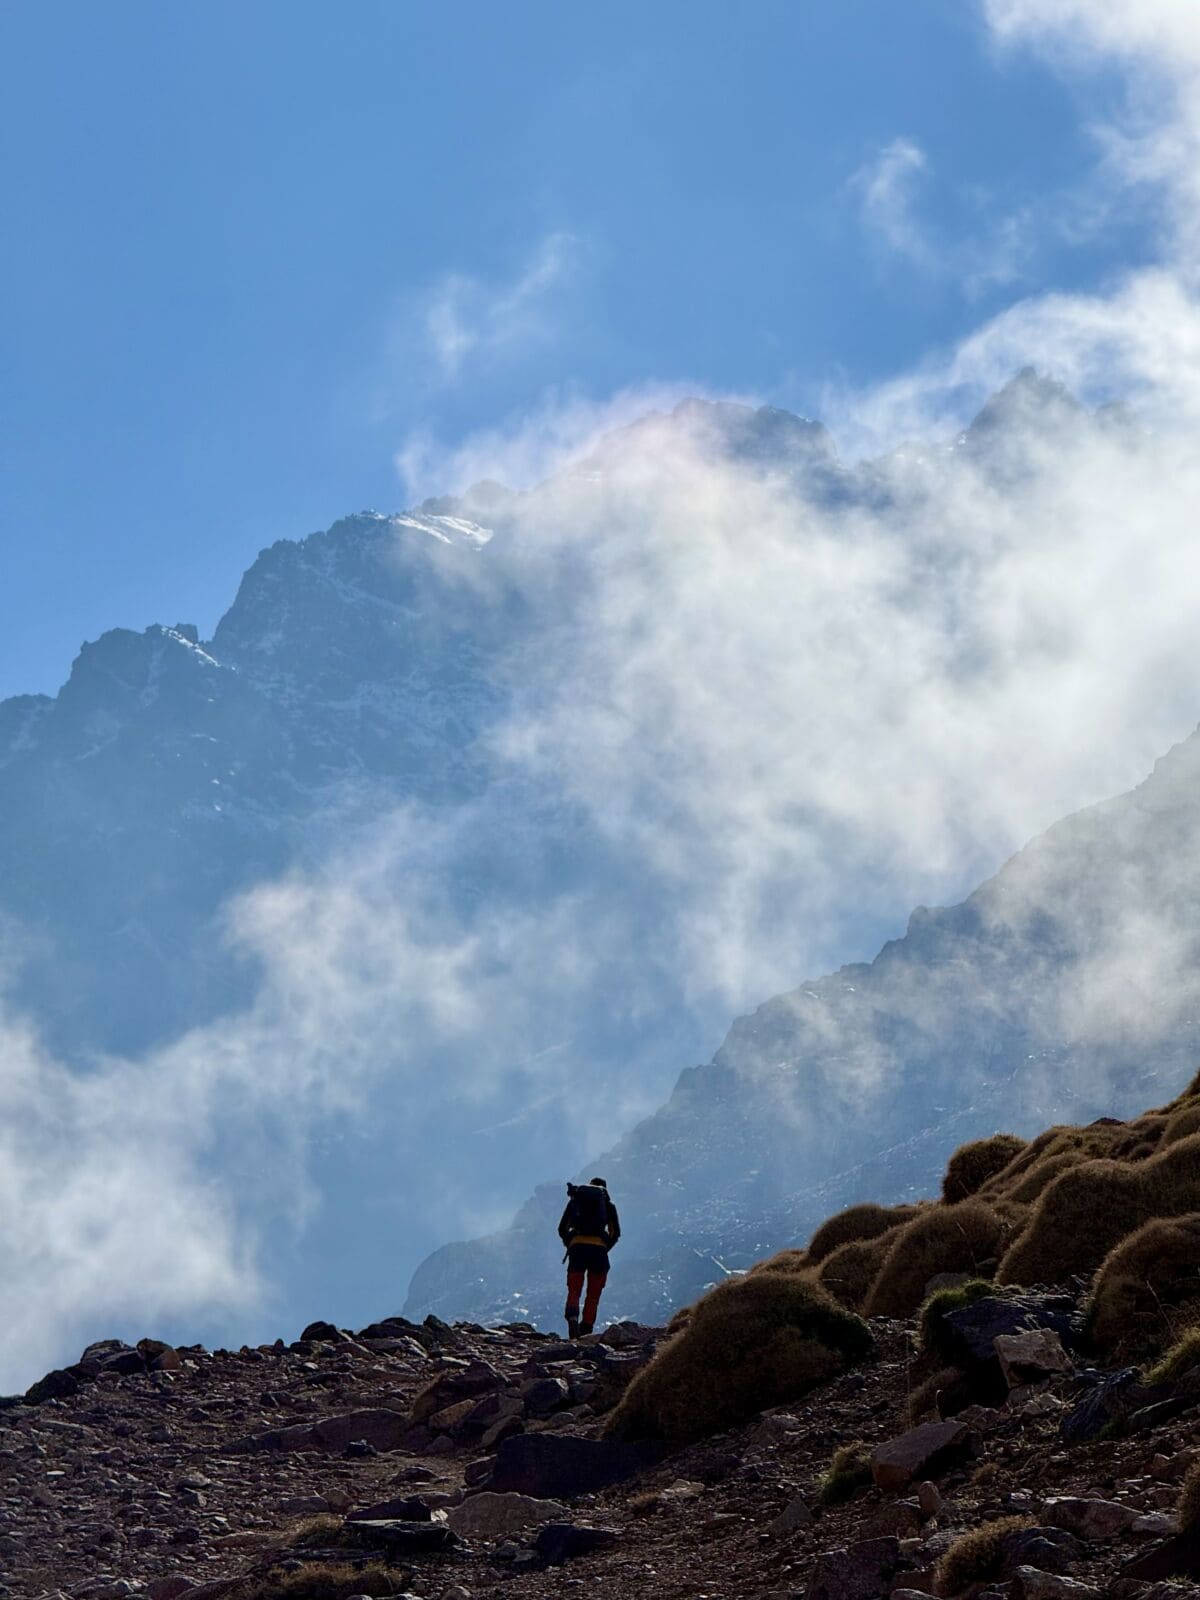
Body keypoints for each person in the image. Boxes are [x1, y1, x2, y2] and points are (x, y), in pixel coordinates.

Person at [557, 1176, 620, 1338]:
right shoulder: (608, 1205)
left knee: (574, 1288)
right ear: (605, 1190)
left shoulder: (576, 1200)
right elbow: (615, 1233)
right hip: (598, 1251)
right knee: (593, 1293)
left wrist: (570, 1244)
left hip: (577, 1249)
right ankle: (586, 1329)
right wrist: (605, 1247)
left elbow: (562, 1228)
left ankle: (572, 1317)